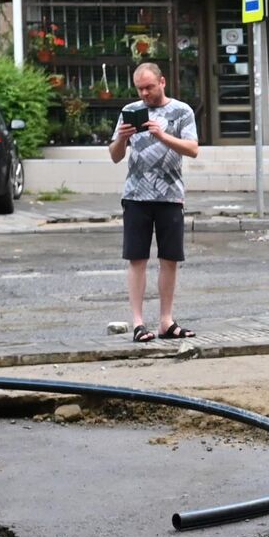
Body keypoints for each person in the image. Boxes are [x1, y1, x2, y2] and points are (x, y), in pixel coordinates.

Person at [109, 62, 199, 343]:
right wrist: (122, 139)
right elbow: (114, 156)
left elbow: (193, 149)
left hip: (170, 195)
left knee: (169, 259)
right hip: (136, 195)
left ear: (162, 82)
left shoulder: (182, 111)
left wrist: (162, 135)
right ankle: (138, 323)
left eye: (149, 87)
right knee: (137, 258)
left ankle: (166, 321)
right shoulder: (130, 112)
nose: (145, 93)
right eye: (140, 89)